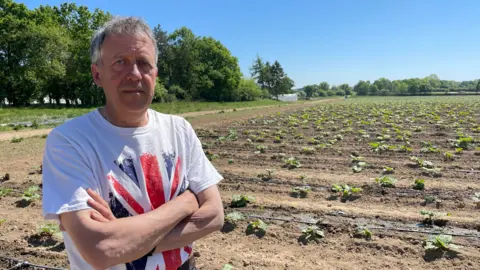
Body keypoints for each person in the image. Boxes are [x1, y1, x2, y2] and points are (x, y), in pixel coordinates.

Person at [41, 16, 224, 270]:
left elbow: (214, 215)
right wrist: (186, 202)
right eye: (120, 63)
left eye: (144, 63)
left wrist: (128, 240)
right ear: (97, 74)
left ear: (155, 74)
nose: (135, 74)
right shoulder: (69, 141)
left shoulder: (179, 129)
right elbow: (101, 249)